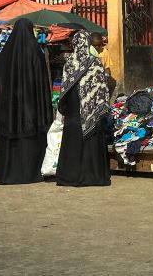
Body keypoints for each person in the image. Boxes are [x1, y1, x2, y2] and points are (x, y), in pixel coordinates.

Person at [0, 18, 53, 185]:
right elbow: (43, 85)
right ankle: (30, 173)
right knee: (30, 141)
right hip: (31, 110)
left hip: (9, 111)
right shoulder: (36, 54)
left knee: (9, 141)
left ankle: (7, 174)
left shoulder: (5, 56)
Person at [55, 31, 110, 187]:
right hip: (91, 111)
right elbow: (101, 89)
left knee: (72, 143)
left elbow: (63, 90)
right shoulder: (95, 63)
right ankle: (93, 177)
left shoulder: (69, 64)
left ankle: (69, 177)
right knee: (90, 142)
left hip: (72, 112)